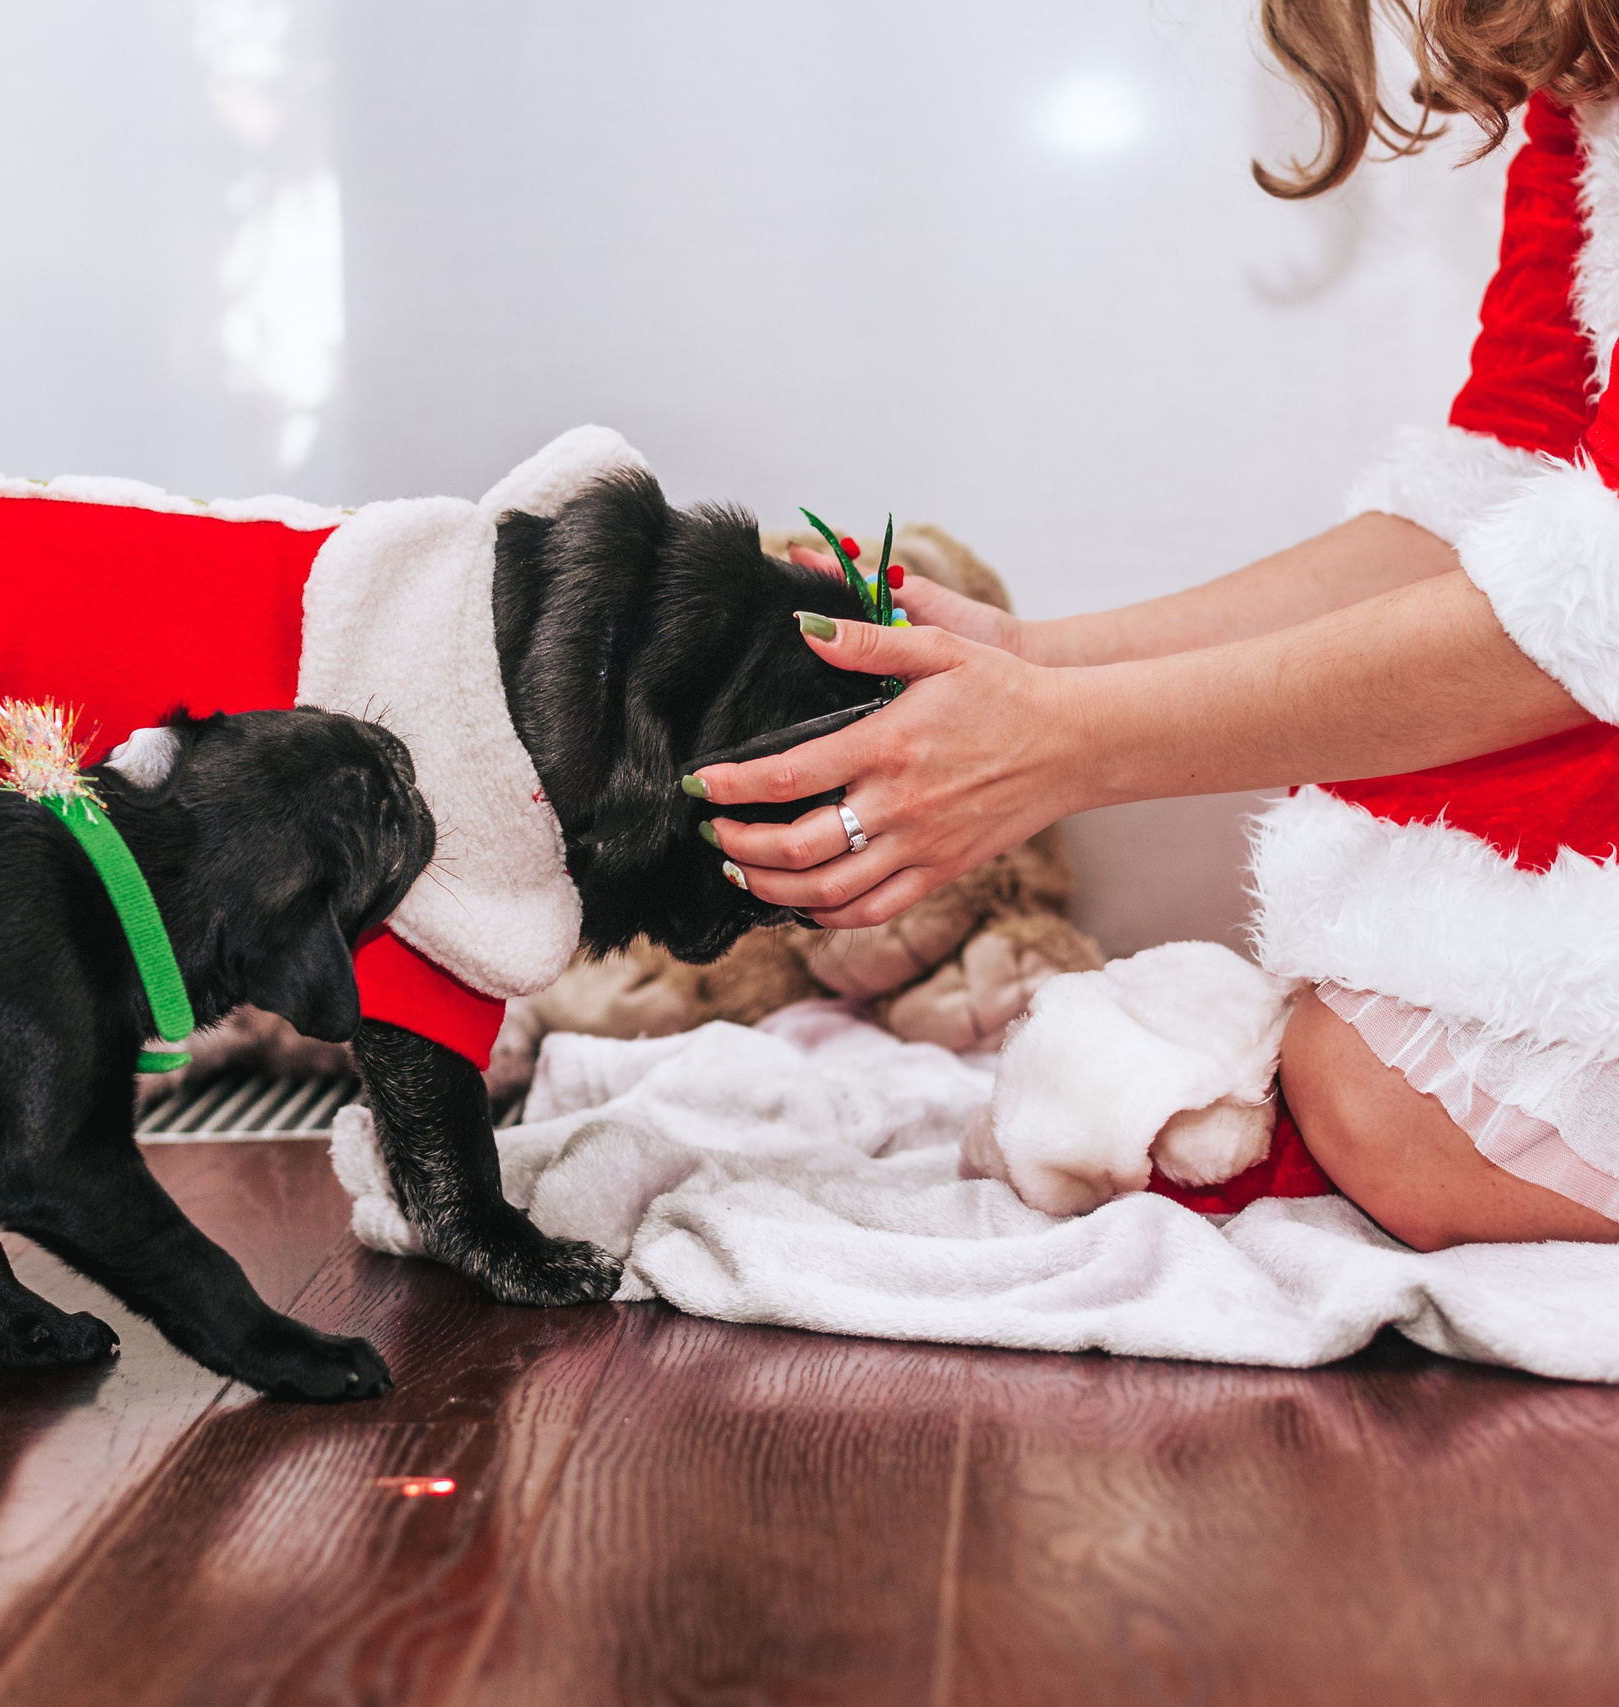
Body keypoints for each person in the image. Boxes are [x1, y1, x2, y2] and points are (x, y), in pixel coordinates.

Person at [689, 0, 1619, 1251]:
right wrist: (1031, 667)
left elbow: (1589, 590)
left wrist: (1064, 746)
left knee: (1388, 1104)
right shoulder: (1586, 75)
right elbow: (1495, 496)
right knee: (1380, 1080)